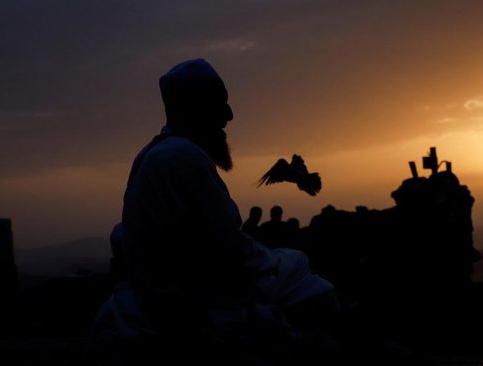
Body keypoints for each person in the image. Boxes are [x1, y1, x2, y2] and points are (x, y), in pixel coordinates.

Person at [115, 59, 338, 356]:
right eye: (220, 105)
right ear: (194, 109)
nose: (230, 116)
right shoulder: (186, 157)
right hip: (189, 300)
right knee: (301, 269)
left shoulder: (150, 155)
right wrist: (276, 261)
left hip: (161, 290)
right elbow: (235, 252)